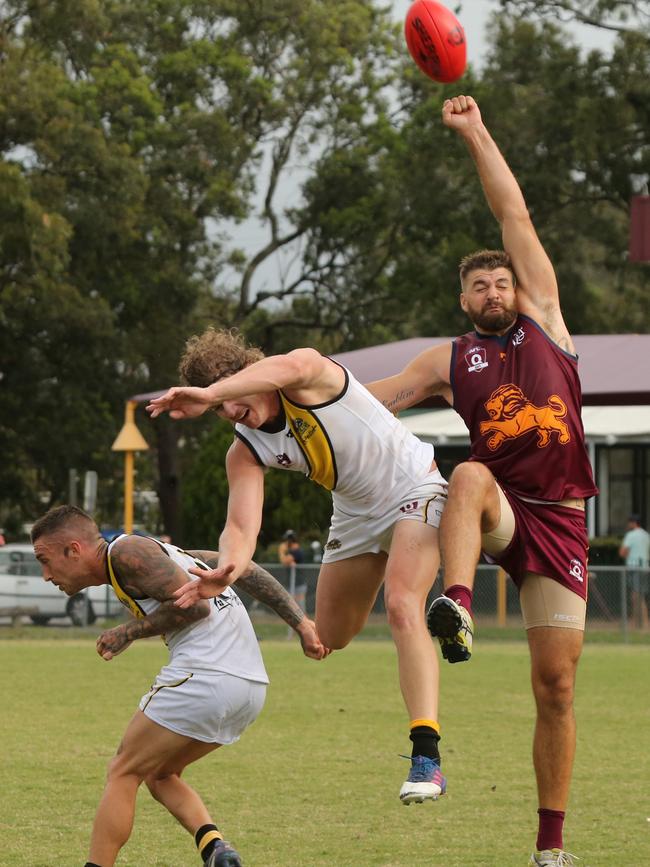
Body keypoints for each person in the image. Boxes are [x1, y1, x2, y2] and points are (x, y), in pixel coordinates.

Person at [365, 96, 598, 867]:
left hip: (559, 518)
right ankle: (457, 606)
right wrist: (281, 395)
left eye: (501, 283)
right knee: (466, 471)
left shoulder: (548, 324)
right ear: (463, 300)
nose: (495, 292)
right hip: (496, 510)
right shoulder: (449, 359)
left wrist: (474, 130)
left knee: (556, 687)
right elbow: (370, 401)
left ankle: (550, 847)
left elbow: (514, 215)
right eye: (481, 287)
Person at [146, 328, 448, 804]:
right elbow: (241, 528)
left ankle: (426, 756)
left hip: (416, 487)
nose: (228, 410)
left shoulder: (306, 375)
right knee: (331, 635)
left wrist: (207, 394)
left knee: (402, 605)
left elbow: (289, 365)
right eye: (217, 409)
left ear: (252, 370)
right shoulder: (245, 449)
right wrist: (229, 566)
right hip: (354, 514)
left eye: (230, 393)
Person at [31, 505, 327, 867]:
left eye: (45, 560)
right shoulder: (166, 554)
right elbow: (242, 569)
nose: (46, 575)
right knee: (160, 773)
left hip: (206, 675)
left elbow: (195, 610)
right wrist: (301, 623)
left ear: (74, 550)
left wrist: (127, 631)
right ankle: (216, 849)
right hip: (249, 687)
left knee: (123, 770)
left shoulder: (127, 552)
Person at [619, 514, 650, 630]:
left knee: (636, 596)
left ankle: (639, 622)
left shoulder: (631, 535)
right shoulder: (646, 535)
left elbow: (623, 552)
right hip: (645, 567)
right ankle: (640, 622)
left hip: (634, 567)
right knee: (640, 594)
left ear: (633, 523)